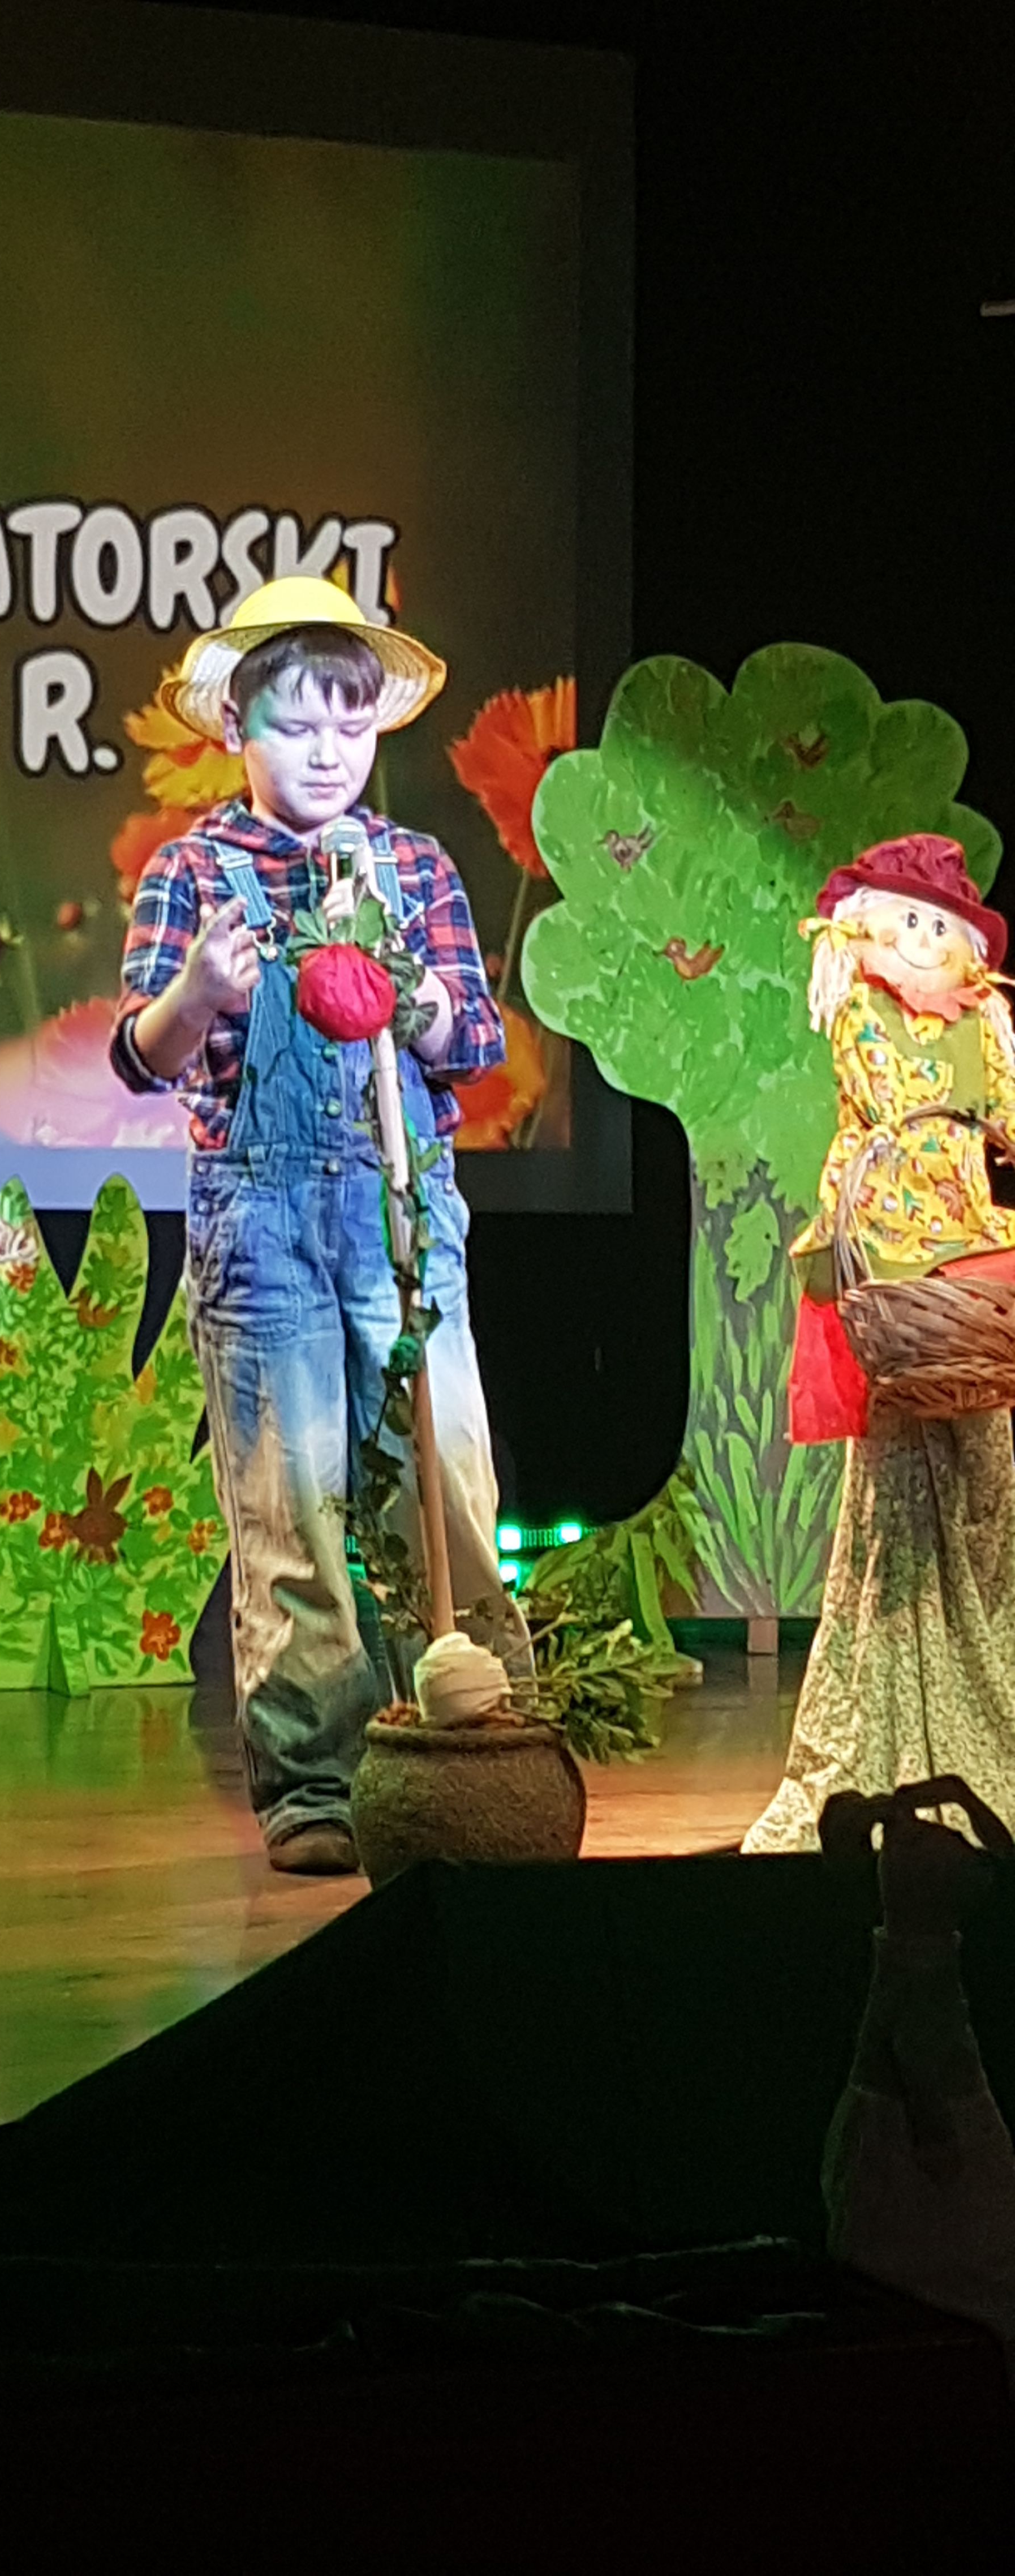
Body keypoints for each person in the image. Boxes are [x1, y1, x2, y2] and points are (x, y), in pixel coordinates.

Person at [110, 575, 527, 1875]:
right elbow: (141, 1057)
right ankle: (314, 1780)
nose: (327, 752)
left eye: (349, 727)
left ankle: (475, 1740)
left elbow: (474, 1040)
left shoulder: (411, 867)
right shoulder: (193, 871)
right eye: (296, 728)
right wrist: (198, 990)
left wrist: (420, 1007)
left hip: (399, 1210)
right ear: (238, 730)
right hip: (263, 1217)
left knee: (444, 1479)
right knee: (290, 1504)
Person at [744, 834, 1015, 1852]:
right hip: (894, 1267)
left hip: (969, 1278)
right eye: (903, 917)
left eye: (939, 924)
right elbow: (888, 1101)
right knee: (896, 1490)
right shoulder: (863, 1009)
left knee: (987, 1483)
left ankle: (987, 1688)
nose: (921, 937)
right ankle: (896, 1703)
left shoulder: (985, 1025)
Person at [821, 1776, 1015, 2389]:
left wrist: (955, 1796)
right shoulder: (917, 1960)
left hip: (923, 2130)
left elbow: (999, 1864)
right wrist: (934, 2130)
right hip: (933, 2139)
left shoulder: (904, 1944)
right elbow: (914, 2042)